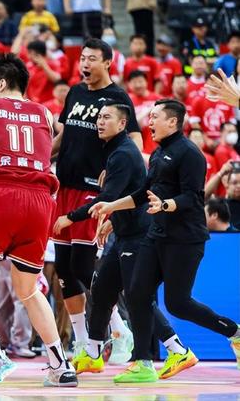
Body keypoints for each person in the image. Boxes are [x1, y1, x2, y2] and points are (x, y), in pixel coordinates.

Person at [89, 99, 240, 383]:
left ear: (172, 121)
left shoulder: (190, 154)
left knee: (178, 303)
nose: (149, 121)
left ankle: (235, 333)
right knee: (136, 292)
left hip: (185, 239)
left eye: (155, 117)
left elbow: (193, 197)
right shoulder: (158, 153)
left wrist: (166, 205)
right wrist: (111, 207)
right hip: (156, 235)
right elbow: (141, 194)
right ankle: (143, 362)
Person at [56, 102, 196, 379]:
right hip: (124, 232)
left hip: (138, 237)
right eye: (98, 117)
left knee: (137, 297)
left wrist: (70, 217)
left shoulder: (122, 153)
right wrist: (113, 221)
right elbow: (129, 194)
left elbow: (109, 198)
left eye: (106, 117)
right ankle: (93, 354)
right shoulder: (116, 151)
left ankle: (177, 349)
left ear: (122, 124)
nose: (99, 121)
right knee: (102, 289)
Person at [0, 53, 77, 389]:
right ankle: (60, 363)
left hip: (2, 195)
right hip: (40, 202)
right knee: (28, 288)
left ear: (0, 83)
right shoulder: (44, 113)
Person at [51, 38, 141, 361]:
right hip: (64, 186)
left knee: (83, 264)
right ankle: (81, 341)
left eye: (92, 59)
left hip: (93, 191)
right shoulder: (75, 92)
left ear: (107, 62)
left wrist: (118, 169)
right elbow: (64, 135)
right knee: (64, 269)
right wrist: (40, 159)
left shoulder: (118, 98)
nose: (85, 64)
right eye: (82, 58)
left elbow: (134, 140)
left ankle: (118, 328)